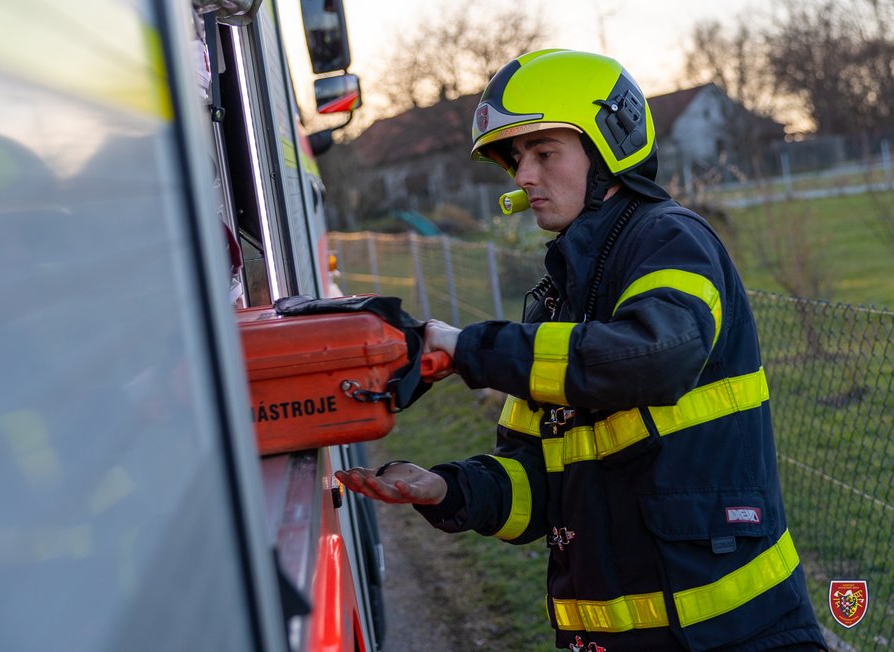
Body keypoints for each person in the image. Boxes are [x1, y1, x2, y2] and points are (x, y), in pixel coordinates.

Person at [336, 50, 827, 650]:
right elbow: (537, 484)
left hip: (735, 634)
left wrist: (469, 349)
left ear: (609, 146)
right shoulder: (555, 298)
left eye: (545, 153)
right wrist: (446, 490)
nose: (524, 177)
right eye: (517, 159)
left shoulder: (670, 240)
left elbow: (654, 354)